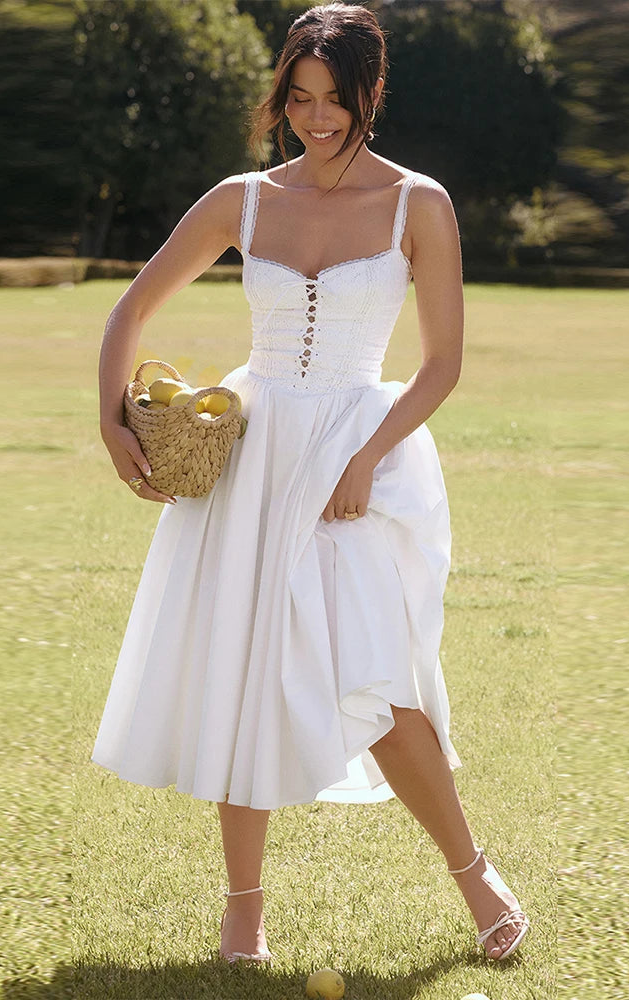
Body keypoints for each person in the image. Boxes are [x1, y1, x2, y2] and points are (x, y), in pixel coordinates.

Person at [91, 2, 529, 966]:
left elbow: (441, 365)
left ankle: (476, 876)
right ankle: (243, 912)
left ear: (373, 93)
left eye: (336, 99)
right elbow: (131, 309)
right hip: (250, 458)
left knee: (374, 673)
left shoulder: (422, 203)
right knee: (244, 669)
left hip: (354, 455)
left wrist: (365, 457)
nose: (317, 118)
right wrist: (112, 420)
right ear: (282, 94)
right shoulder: (242, 199)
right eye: (301, 97)